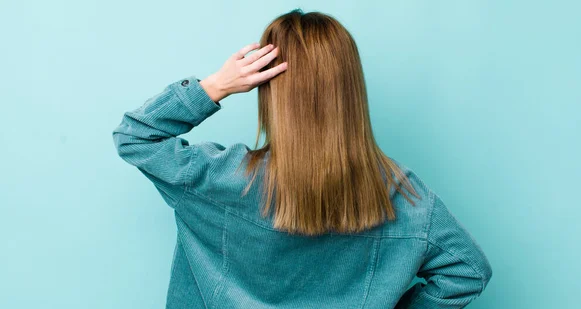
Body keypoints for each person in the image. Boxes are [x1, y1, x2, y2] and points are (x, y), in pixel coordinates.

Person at [112, 8, 492, 309]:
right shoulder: (404, 197)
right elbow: (468, 271)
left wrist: (218, 85)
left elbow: (136, 136)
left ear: (269, 88)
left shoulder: (218, 178)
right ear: (349, 88)